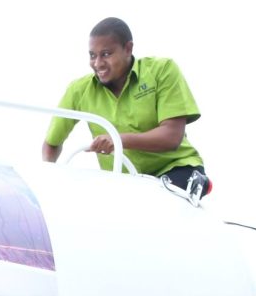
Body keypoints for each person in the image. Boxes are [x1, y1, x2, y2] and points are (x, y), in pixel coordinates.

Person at [42, 17, 210, 191]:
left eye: (106, 54)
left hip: (176, 170)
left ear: (128, 48)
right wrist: (49, 179)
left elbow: (172, 136)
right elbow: (51, 143)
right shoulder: (79, 90)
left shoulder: (162, 70)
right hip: (125, 185)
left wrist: (117, 140)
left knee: (153, 204)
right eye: (93, 55)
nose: (98, 63)